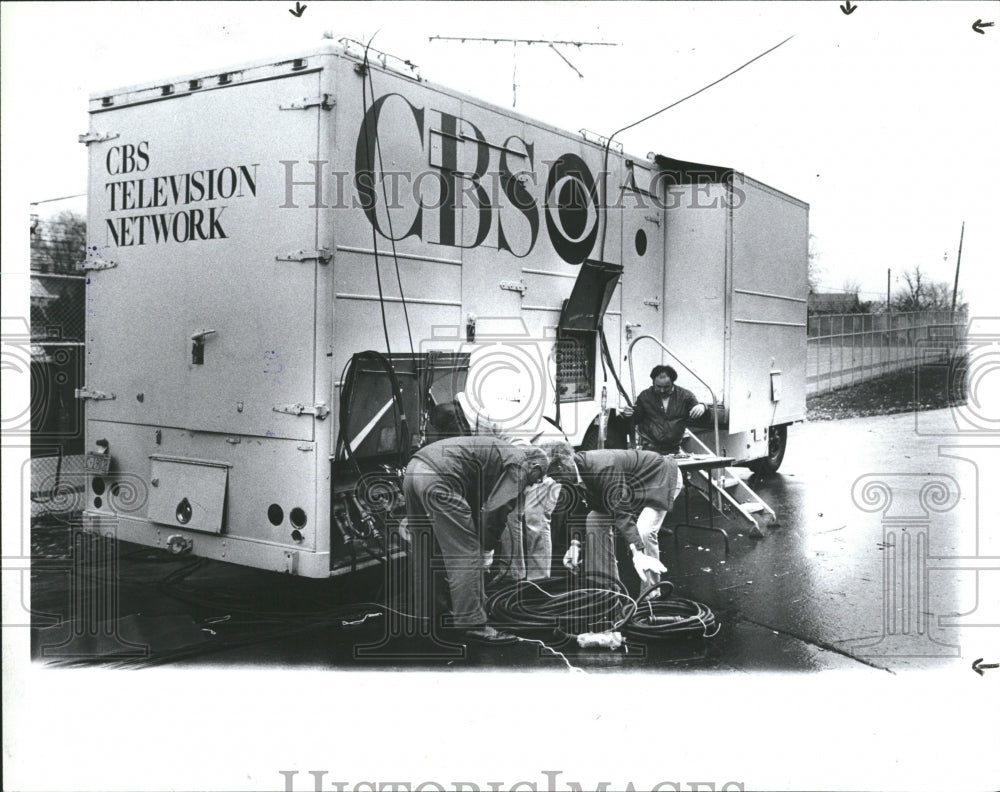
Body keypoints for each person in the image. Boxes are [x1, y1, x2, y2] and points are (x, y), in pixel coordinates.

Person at [401, 435, 548, 644]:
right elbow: (496, 510)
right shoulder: (521, 463)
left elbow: (476, 505)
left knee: (426, 548)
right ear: (533, 465)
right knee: (466, 553)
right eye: (540, 475)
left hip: (415, 469)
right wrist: (486, 549)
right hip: (439, 476)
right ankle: (473, 624)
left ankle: (428, 613)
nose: (538, 481)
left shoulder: (498, 456)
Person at [426, 390, 572, 582]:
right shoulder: (468, 417)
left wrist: (486, 549)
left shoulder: (495, 419)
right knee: (511, 518)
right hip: (520, 455)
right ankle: (512, 574)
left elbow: (524, 463)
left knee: (534, 518)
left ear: (459, 423)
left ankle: (539, 582)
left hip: (546, 453)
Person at [542, 444, 681, 595]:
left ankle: (651, 595)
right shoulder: (574, 470)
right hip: (633, 488)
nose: (552, 481)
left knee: (644, 531)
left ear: (562, 467)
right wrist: (575, 545)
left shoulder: (603, 467)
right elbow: (577, 510)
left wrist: (638, 553)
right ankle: (608, 589)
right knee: (594, 519)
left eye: (552, 476)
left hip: (661, 477)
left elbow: (621, 510)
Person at [622, 365, 706, 455]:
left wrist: (703, 407)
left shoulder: (685, 396)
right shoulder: (645, 396)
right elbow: (635, 418)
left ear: (673, 383)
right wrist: (627, 414)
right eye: (658, 386)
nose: (662, 390)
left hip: (674, 450)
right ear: (653, 382)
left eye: (666, 387)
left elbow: (701, 417)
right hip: (649, 450)